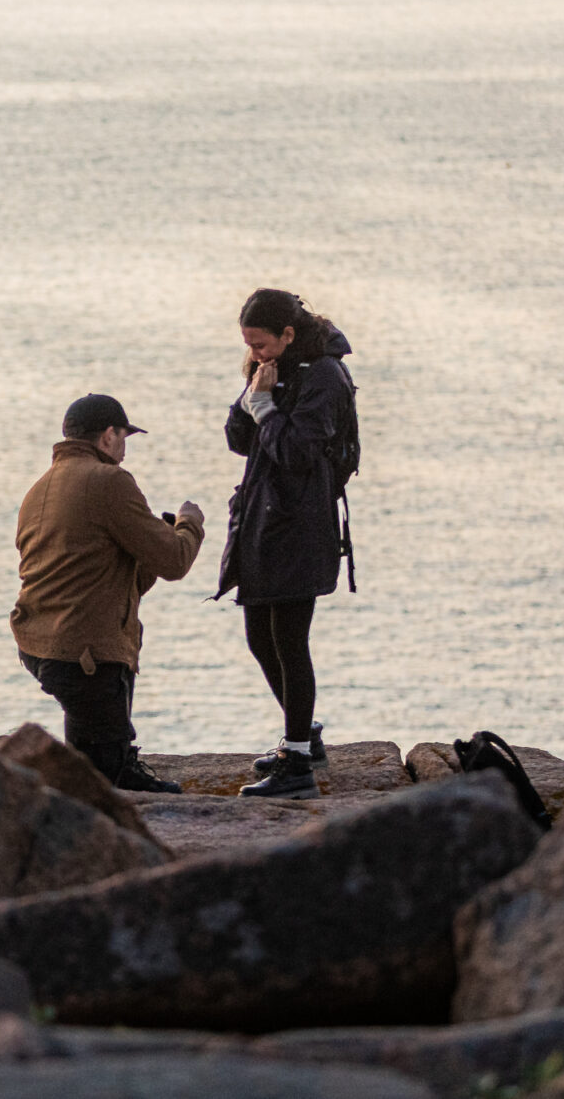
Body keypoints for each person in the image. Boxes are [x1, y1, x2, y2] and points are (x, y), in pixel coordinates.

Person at [12, 393, 206, 792]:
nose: (124, 449)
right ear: (107, 437)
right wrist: (189, 524)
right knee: (112, 779)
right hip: (87, 655)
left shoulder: (40, 488)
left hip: (42, 643)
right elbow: (175, 563)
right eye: (124, 437)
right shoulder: (110, 481)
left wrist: (147, 546)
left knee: (87, 764)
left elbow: (120, 581)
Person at [216, 289, 357, 800]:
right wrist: (252, 394)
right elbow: (239, 439)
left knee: (290, 641)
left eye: (262, 344)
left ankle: (297, 761)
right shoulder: (272, 370)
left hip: (301, 524)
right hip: (262, 520)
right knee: (259, 637)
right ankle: (305, 736)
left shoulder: (323, 375)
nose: (256, 353)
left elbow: (297, 452)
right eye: (249, 346)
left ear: (289, 335)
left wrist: (265, 407)